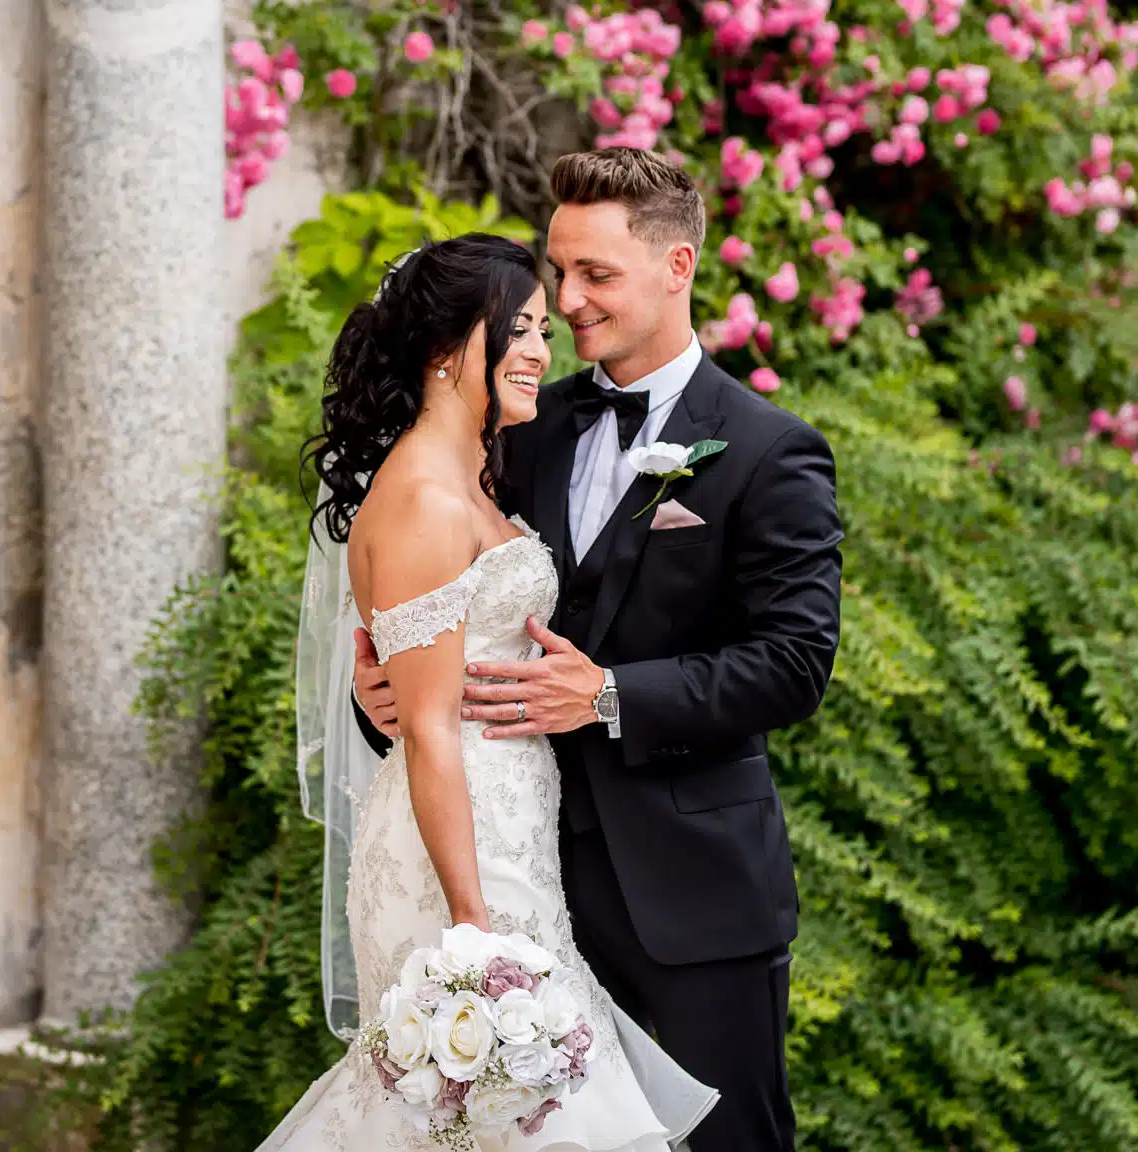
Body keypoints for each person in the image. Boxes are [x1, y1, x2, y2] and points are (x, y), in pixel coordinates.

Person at [352, 147, 844, 1152]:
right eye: (557, 271)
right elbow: (435, 604)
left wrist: (610, 692)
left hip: (692, 891)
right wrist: (384, 697)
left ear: (678, 268)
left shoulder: (766, 452)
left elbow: (793, 662)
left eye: (596, 276)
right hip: (528, 882)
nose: (566, 301)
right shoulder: (518, 425)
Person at [265, 234, 716, 1150]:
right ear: (444, 349)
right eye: (518, 329)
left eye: (544, 330)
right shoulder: (428, 499)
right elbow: (428, 731)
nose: (543, 352)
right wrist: (471, 928)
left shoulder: (471, 477)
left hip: (508, 830)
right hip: (458, 847)